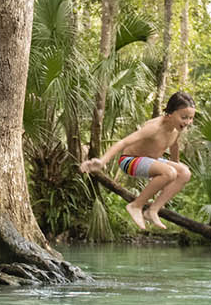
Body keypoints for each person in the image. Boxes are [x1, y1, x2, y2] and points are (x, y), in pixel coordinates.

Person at [81, 92, 197, 231]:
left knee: (184, 173)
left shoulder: (176, 128)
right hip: (130, 161)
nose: (187, 122)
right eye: (184, 117)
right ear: (170, 113)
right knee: (170, 173)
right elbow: (123, 142)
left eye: (191, 118)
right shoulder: (154, 128)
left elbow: (174, 145)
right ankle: (136, 205)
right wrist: (102, 161)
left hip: (151, 160)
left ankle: (152, 210)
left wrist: (176, 163)